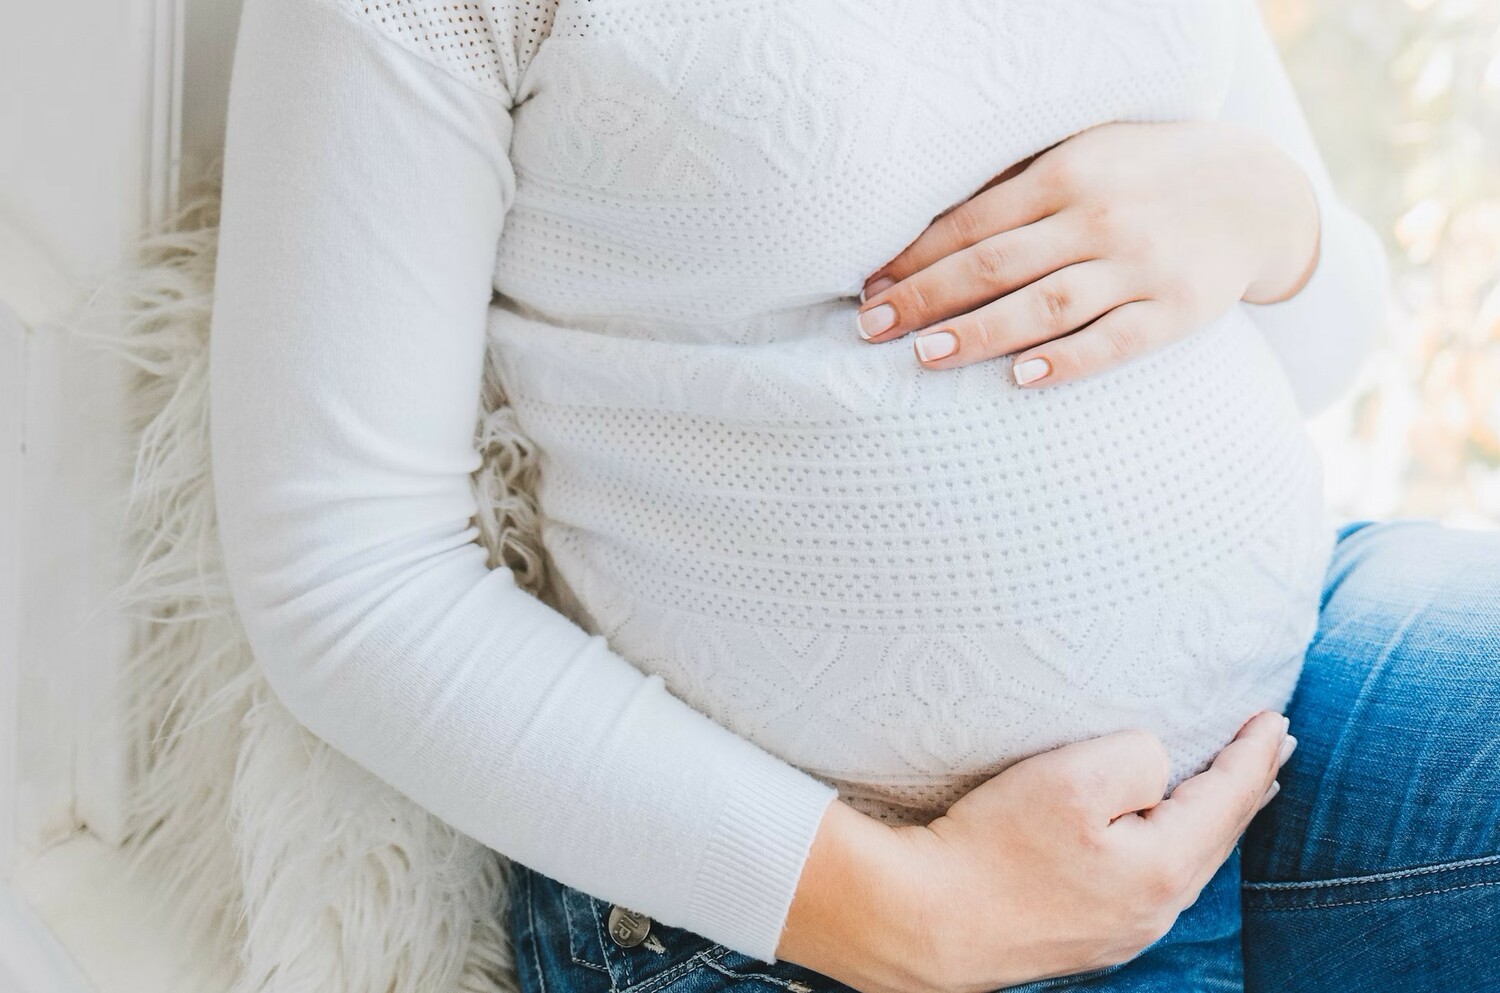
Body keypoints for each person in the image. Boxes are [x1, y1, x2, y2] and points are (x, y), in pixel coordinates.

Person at [206, 0, 1500, 990]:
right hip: (817, 903)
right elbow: (345, 576)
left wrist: (1272, 214)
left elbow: (1323, 344)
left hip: (1284, 710)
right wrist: (911, 911)